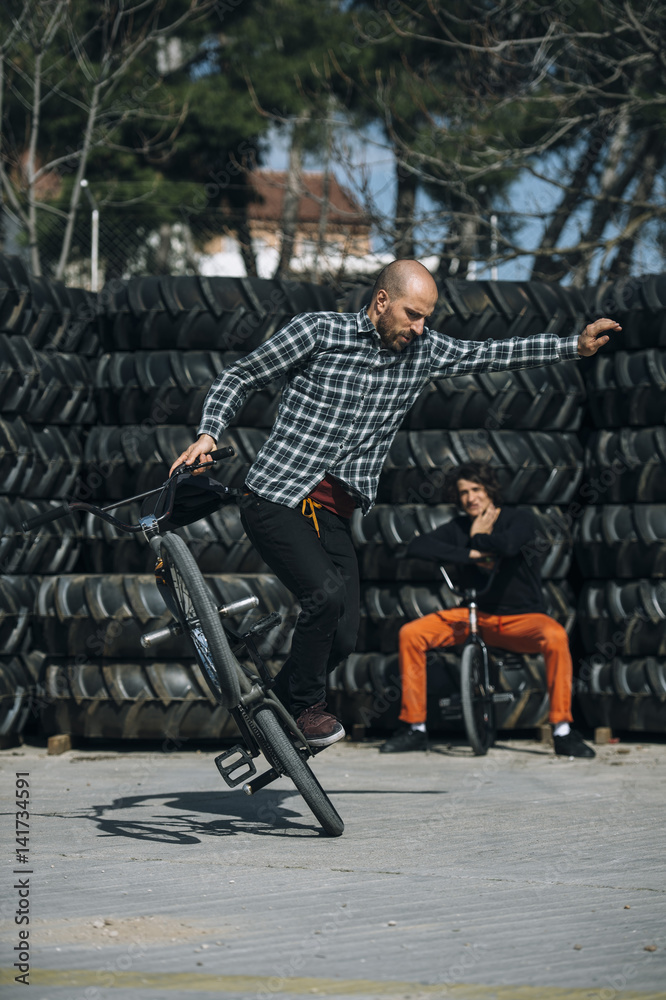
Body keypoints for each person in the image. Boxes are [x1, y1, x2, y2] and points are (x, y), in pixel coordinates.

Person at [170, 259, 619, 749]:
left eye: (426, 317)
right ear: (381, 301)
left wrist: (571, 346)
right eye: (413, 314)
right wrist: (209, 433)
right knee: (325, 598)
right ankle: (304, 709)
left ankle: (272, 711)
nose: (420, 328)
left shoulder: (423, 351)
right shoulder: (318, 331)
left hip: (332, 512)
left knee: (344, 636)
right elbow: (242, 376)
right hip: (276, 495)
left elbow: (490, 353)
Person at [379, 461, 595, 758]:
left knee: (556, 637)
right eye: (463, 492)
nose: (471, 498)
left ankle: (562, 731)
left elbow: (509, 546)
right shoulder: (458, 527)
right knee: (411, 634)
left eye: (476, 489)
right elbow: (417, 546)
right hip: (473, 616)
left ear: (490, 490)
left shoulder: (520, 518)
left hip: (521, 618)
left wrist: (479, 536)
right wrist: (470, 552)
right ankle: (415, 727)